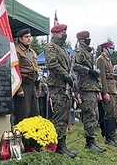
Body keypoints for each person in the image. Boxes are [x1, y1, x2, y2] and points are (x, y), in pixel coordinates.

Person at [44, 24, 77, 158]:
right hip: (57, 86)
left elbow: (68, 67)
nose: (64, 34)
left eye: (65, 32)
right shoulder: (51, 47)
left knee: (64, 115)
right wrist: (67, 76)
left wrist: (72, 79)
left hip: (65, 87)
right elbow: (52, 64)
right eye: (62, 32)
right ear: (55, 34)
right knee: (59, 116)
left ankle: (62, 143)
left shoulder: (62, 49)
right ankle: (58, 145)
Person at [72, 30, 105, 152]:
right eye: (86, 38)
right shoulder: (79, 51)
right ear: (81, 40)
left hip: (92, 86)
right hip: (85, 86)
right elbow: (74, 65)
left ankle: (92, 139)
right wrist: (88, 70)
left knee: (94, 114)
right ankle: (89, 142)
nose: (88, 40)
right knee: (89, 114)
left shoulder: (88, 52)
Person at [97, 40, 117, 148]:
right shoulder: (101, 60)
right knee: (109, 113)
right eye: (110, 48)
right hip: (108, 89)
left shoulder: (107, 60)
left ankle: (112, 137)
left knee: (114, 114)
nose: (112, 49)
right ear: (105, 49)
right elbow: (102, 77)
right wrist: (104, 92)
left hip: (113, 88)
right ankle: (109, 138)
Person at [13, 28, 39, 125]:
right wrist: (19, 89)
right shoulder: (17, 51)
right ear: (20, 39)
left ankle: (32, 138)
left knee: (35, 113)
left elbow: (36, 70)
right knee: (23, 114)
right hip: (23, 84)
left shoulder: (32, 52)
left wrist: (38, 86)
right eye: (26, 37)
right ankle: (21, 138)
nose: (29, 39)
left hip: (33, 84)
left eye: (30, 36)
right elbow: (14, 70)